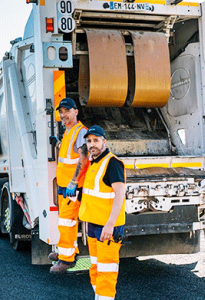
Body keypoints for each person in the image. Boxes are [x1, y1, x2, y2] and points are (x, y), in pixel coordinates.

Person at [79, 125, 126, 299]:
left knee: (107, 271)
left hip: (107, 227)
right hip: (94, 224)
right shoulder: (93, 162)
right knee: (96, 267)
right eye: (89, 141)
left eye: (96, 140)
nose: (92, 145)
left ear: (104, 141)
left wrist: (110, 224)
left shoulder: (112, 163)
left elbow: (120, 194)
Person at [49, 98, 89, 274]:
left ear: (76, 112)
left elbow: (84, 157)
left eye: (67, 110)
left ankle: (66, 260)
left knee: (67, 222)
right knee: (67, 222)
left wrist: (74, 181)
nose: (63, 114)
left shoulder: (80, 131)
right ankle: (67, 251)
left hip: (73, 186)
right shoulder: (69, 131)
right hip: (66, 186)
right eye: (61, 111)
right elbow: (69, 154)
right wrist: (57, 143)